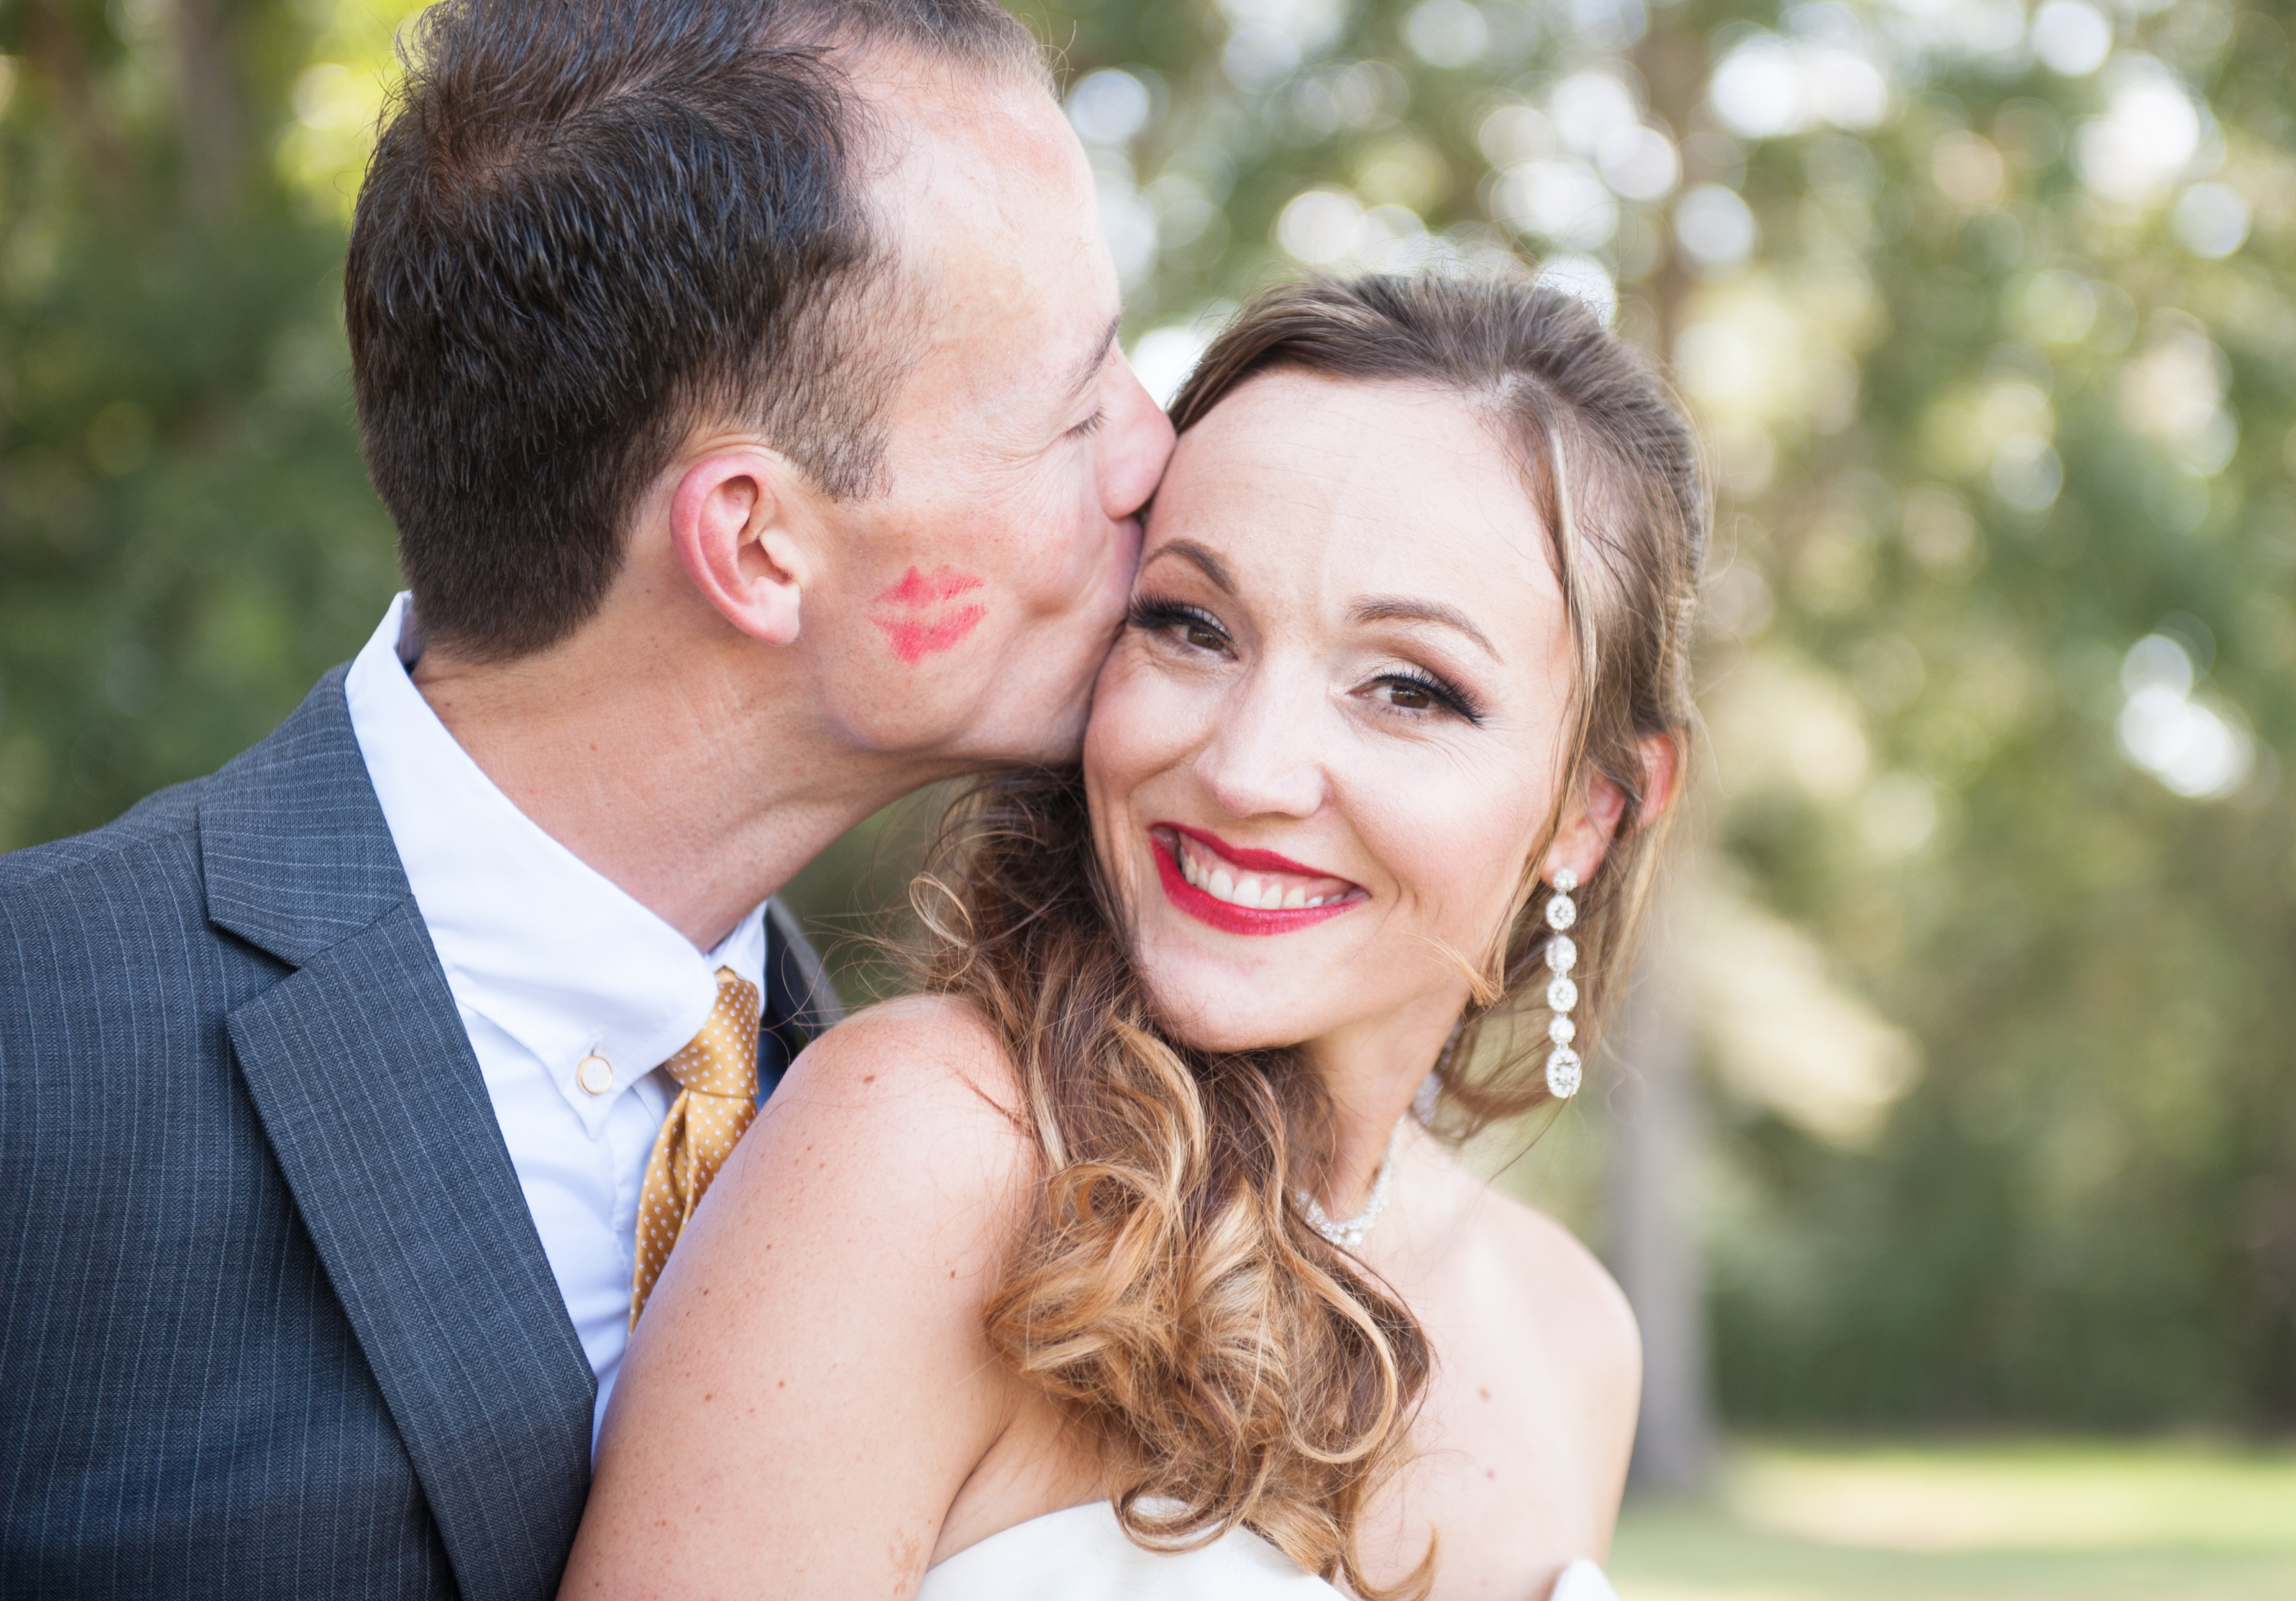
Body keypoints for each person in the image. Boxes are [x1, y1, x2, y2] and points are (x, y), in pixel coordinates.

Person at [0, 0, 1170, 1600]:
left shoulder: (925, 1133)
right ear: (758, 544)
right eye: (1077, 408)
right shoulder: (32, 1055)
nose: (1157, 453)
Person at [565, 275, 1707, 1598]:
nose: (1247, 766)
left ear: (1592, 810)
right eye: (1190, 626)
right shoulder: (932, 1152)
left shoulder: (1575, 1338)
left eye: (1409, 689)